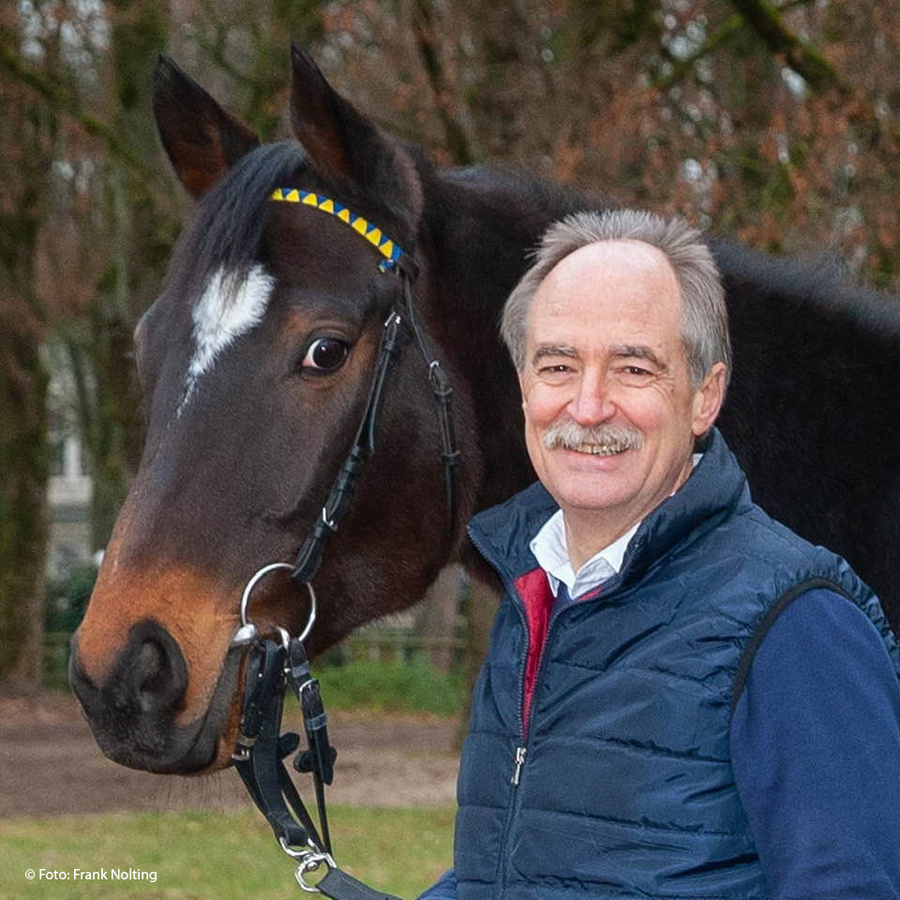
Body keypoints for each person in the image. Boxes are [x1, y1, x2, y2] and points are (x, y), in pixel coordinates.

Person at [420, 209, 900, 900]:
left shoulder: (797, 624)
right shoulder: (536, 597)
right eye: (558, 365)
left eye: (632, 367)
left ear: (705, 395)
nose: (587, 406)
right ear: (523, 386)